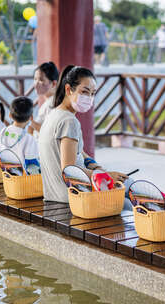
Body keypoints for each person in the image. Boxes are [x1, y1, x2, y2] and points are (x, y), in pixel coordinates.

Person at [39, 65, 128, 203]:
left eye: (93, 93)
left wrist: (95, 166)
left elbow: (77, 152)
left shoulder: (54, 114)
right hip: (73, 198)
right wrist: (106, 176)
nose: (89, 98)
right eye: (85, 92)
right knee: (128, 200)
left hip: (55, 195)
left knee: (126, 187)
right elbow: (69, 170)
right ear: (68, 89)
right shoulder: (69, 121)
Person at [0, 97, 38, 165]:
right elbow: (32, 163)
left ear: (10, 115)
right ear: (31, 117)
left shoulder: (3, 131)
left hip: (3, 172)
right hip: (20, 174)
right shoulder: (29, 138)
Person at [29, 62, 59, 140]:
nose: (36, 84)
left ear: (53, 83)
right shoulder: (48, 102)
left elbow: (51, 132)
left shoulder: (53, 104)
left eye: (41, 80)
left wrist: (30, 121)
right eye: (35, 79)